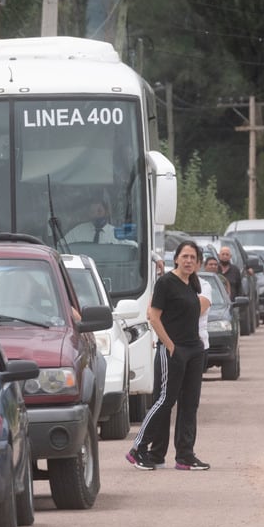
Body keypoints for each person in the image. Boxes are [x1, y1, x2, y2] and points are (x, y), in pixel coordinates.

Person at [126, 240, 210, 471]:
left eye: (193, 257)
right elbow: (153, 316)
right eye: (185, 256)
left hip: (194, 350)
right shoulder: (166, 283)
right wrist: (170, 345)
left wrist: (196, 346)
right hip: (173, 350)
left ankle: (185, 455)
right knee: (164, 401)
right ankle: (139, 449)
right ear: (176, 258)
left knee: (190, 404)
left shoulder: (192, 284)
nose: (189, 261)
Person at [64, 199, 128, 244]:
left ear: (107, 212)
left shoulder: (115, 232)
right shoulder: (78, 231)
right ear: (88, 214)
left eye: (99, 211)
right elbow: (60, 246)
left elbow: (133, 247)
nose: (96, 215)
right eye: (92, 212)